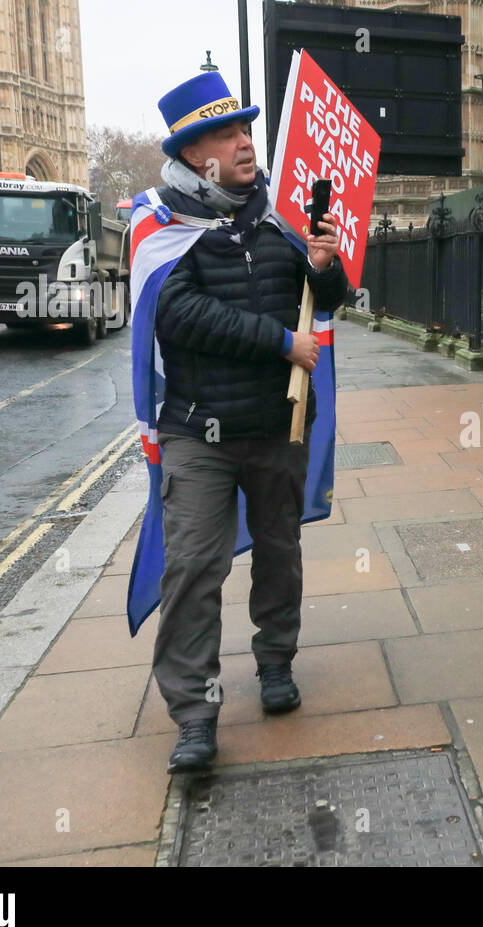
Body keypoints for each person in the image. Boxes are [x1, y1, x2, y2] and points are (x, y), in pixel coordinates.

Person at [149, 72, 348, 772]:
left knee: (279, 552)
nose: (244, 143)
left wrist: (324, 268)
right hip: (197, 434)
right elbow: (176, 314)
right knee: (194, 569)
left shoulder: (282, 217)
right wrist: (278, 342)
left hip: (276, 427)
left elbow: (332, 298)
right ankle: (197, 715)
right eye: (228, 134)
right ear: (194, 150)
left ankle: (274, 667)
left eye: (245, 131)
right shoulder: (161, 226)